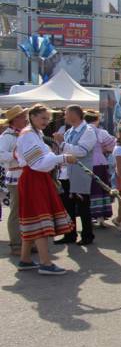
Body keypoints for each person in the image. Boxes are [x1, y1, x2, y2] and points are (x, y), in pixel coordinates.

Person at [16, 104, 77, 274]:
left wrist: (58, 158)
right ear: (32, 116)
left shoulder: (36, 134)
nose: (45, 122)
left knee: (34, 217)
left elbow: (44, 159)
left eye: (47, 119)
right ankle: (45, 263)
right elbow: (38, 164)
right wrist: (62, 158)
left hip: (37, 178)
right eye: (42, 118)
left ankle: (25, 259)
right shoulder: (28, 135)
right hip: (33, 178)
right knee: (40, 219)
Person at [54, 104, 97, 246]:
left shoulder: (88, 130)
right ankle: (70, 234)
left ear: (74, 115)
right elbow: (63, 151)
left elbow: (81, 151)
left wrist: (62, 144)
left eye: (66, 113)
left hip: (80, 174)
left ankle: (87, 235)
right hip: (66, 174)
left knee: (83, 206)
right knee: (68, 207)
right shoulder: (70, 131)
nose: (64, 116)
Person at [0, 106, 28, 255]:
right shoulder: (7, 136)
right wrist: (17, 155)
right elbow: (1, 155)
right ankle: (16, 245)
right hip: (15, 176)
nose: (26, 119)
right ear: (15, 119)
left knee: (28, 211)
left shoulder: (25, 134)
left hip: (28, 176)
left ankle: (27, 243)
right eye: (23, 116)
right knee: (16, 211)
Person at [84, 112, 116, 228]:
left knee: (89, 190)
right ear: (96, 120)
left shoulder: (82, 131)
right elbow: (112, 145)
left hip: (86, 163)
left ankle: (89, 216)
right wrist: (103, 148)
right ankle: (101, 217)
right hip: (100, 163)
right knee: (101, 189)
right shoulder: (100, 132)